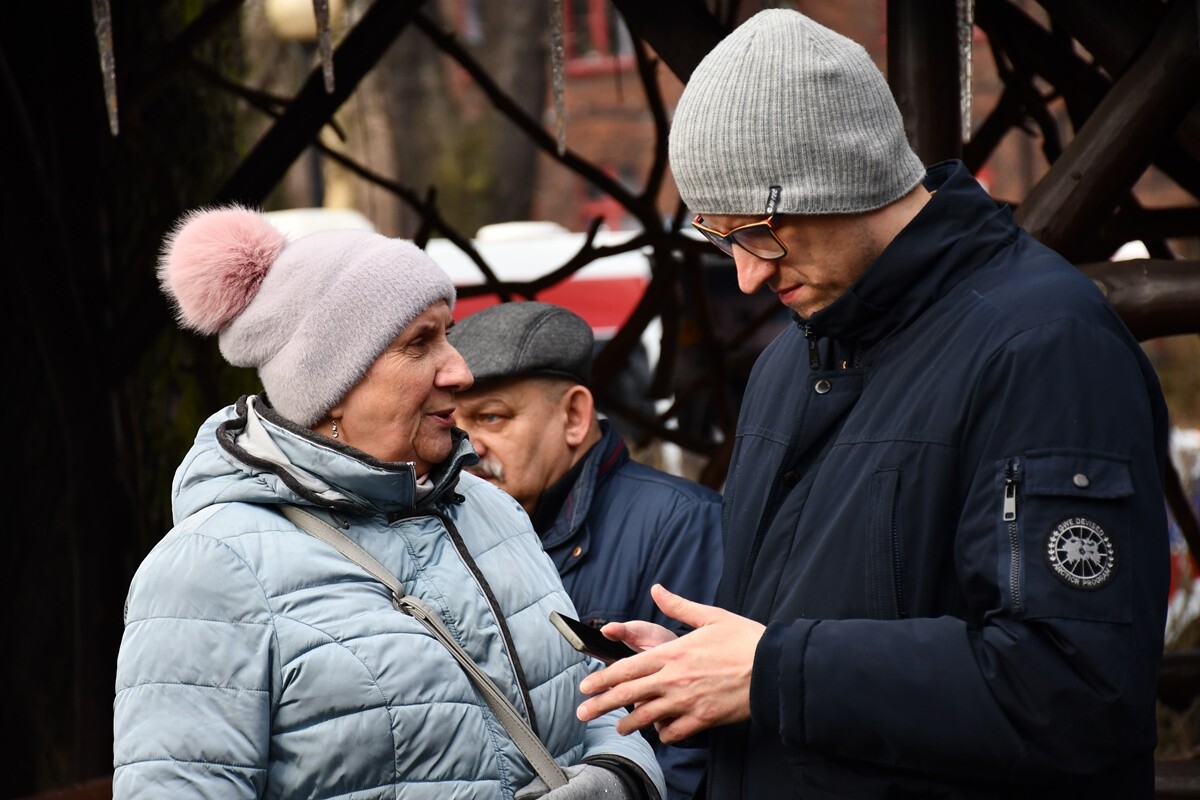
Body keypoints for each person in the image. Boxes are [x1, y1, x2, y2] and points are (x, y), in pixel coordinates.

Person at [574, 9, 1170, 799]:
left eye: (755, 231)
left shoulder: (1047, 349)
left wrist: (771, 672)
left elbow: (1075, 687)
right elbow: (809, 634)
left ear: (841, 176)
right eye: (719, 240)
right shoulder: (790, 358)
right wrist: (704, 666)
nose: (746, 277)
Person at [112, 205, 665, 800]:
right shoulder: (210, 569)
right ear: (329, 387)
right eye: (419, 342)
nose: (458, 371)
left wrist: (617, 778)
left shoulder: (492, 511)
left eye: (448, 334)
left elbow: (589, 694)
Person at [447, 301, 723, 800]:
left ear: (574, 416)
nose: (468, 445)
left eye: (492, 417)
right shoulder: (460, 526)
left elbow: (697, 743)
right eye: (455, 424)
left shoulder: (683, 522)